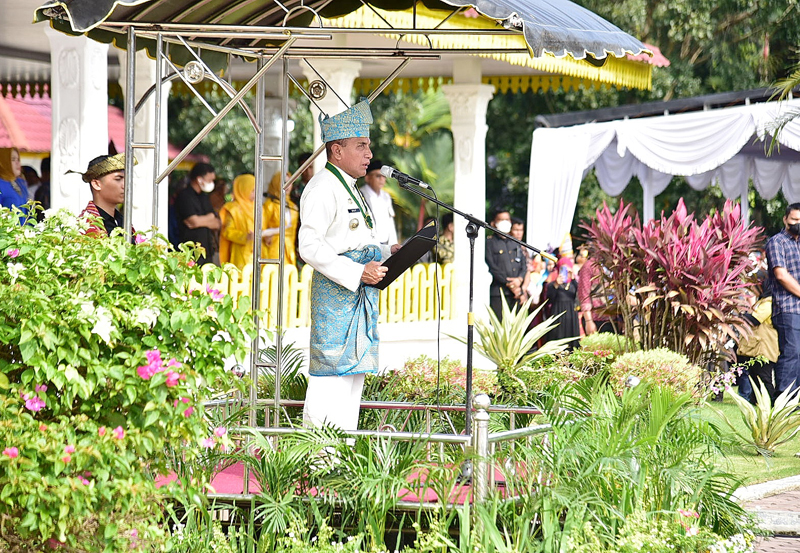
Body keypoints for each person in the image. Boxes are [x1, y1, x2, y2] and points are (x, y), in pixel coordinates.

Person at [298, 99, 399, 432]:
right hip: (337, 296)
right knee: (330, 378)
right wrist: (358, 272)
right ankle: (317, 459)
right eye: (361, 146)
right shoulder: (322, 187)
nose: (369, 154)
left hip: (358, 296)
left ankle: (342, 459)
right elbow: (309, 246)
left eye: (368, 145)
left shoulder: (352, 188)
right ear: (337, 151)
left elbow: (351, 241)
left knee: (353, 378)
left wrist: (389, 250)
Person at [765, 203, 800, 402]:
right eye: (794, 220)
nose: (797, 224)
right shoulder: (776, 242)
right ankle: (783, 403)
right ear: (785, 219)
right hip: (787, 307)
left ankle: (796, 403)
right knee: (791, 353)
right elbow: (781, 275)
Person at [71, 153, 133, 236]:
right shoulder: (85, 226)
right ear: (96, 184)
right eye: (118, 179)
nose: (125, 185)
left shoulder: (123, 221)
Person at [174, 162, 220, 265]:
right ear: (199, 179)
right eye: (210, 180)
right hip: (190, 252)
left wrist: (199, 221)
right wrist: (208, 219)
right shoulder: (185, 196)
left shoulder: (204, 196)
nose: (212, 183)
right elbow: (192, 221)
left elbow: (216, 223)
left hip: (207, 251)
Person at [485, 208, 526, 320]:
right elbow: (492, 267)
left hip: (517, 293)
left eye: (507, 219)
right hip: (499, 293)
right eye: (501, 220)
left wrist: (519, 280)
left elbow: (523, 264)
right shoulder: (489, 243)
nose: (505, 222)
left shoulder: (515, 242)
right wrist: (510, 284)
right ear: (493, 223)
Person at [219, 174, 257, 270]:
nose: (255, 193)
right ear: (243, 190)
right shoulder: (233, 209)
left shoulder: (257, 207)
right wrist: (245, 236)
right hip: (240, 253)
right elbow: (227, 231)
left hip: (257, 252)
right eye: (252, 190)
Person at [359, 159, 398, 247]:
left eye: (384, 177)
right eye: (378, 176)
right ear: (367, 178)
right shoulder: (360, 195)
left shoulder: (386, 196)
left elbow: (390, 223)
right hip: (368, 245)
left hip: (386, 245)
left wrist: (393, 244)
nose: (381, 179)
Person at [263, 171, 300, 265]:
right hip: (273, 252)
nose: (288, 186)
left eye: (290, 182)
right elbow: (261, 230)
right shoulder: (269, 205)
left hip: (289, 253)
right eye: (284, 182)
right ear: (276, 184)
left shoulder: (293, 207)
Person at [578, 256, 618, 335]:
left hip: (614, 318)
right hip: (596, 319)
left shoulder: (614, 265)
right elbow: (584, 295)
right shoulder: (589, 266)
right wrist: (588, 321)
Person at [545, 263, 580, 349]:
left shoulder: (573, 284)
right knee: (558, 336)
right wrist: (556, 284)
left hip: (571, 315)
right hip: (558, 314)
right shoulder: (552, 284)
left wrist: (573, 278)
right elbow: (549, 299)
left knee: (571, 340)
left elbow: (579, 294)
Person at [0, 148, 30, 222]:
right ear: (3, 161)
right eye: (13, 159)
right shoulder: (1, 184)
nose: (18, 163)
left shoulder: (20, 183)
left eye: (18, 159)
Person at [510, 217, 530, 304]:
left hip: (521, 289)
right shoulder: (506, 246)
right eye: (516, 230)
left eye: (521, 230)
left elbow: (527, 270)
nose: (519, 233)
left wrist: (523, 290)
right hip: (508, 286)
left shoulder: (523, 249)